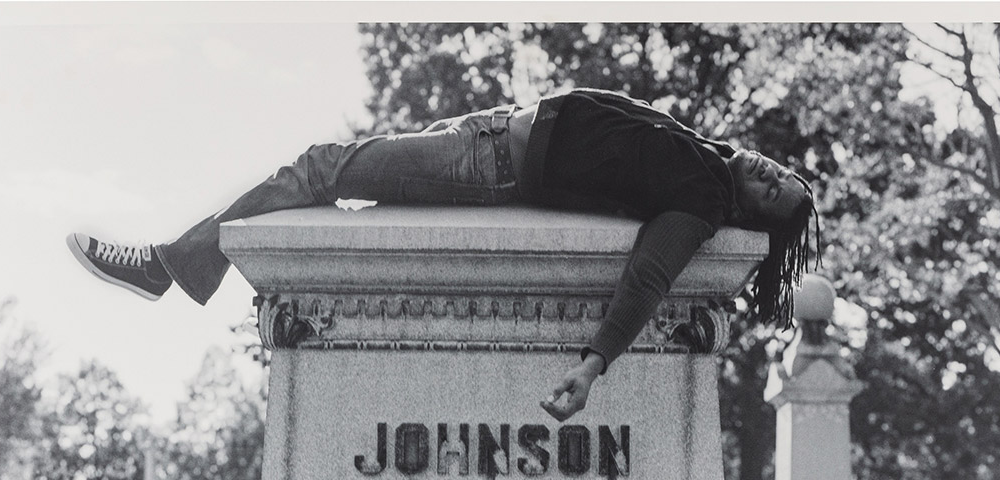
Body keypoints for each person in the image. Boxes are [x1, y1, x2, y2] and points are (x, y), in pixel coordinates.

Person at [68, 88, 818, 421]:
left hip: (491, 165)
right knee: (330, 169)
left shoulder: (701, 202)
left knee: (324, 168)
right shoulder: (709, 156)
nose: (769, 175)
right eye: (781, 172)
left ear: (753, 217)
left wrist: (592, 367)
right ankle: (176, 265)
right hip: (493, 129)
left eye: (773, 194)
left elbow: (649, 276)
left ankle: (170, 266)